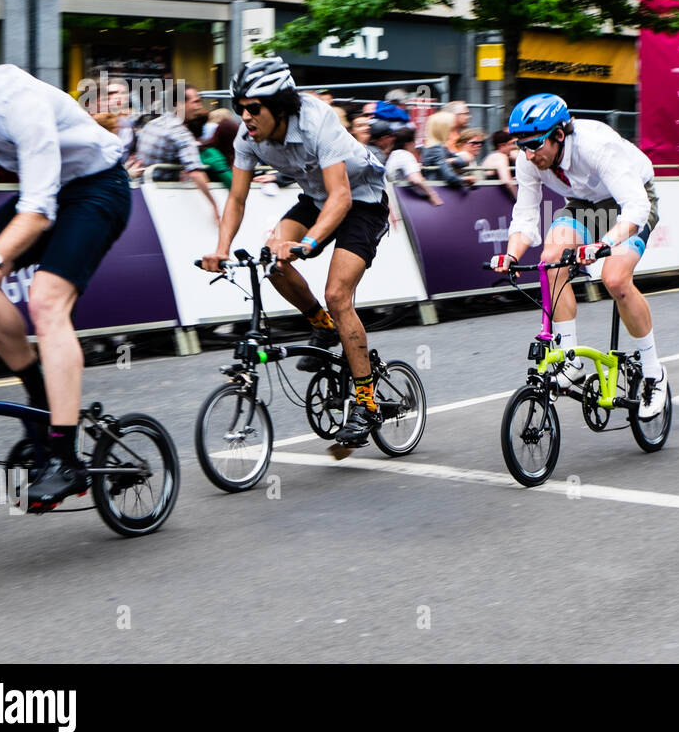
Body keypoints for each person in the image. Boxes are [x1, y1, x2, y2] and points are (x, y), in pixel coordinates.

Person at [0, 18, 132, 509]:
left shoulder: (14, 97)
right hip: (50, 192)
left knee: (45, 299)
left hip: (98, 186)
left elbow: (38, 211)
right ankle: (39, 391)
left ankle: (65, 454)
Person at [201, 58, 389, 457]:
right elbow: (236, 198)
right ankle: (320, 325)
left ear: (280, 106)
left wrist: (309, 243)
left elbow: (341, 197)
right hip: (316, 199)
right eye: (240, 108)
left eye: (254, 108)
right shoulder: (248, 138)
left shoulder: (317, 120)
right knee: (272, 259)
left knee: (339, 295)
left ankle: (367, 403)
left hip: (363, 202)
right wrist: (220, 249)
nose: (246, 117)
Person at [490, 93, 668, 417]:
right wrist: (511, 256)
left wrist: (604, 244)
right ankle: (570, 360)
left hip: (630, 202)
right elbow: (526, 215)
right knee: (551, 258)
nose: (528, 154)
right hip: (584, 205)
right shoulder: (529, 158)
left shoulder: (595, 144)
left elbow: (637, 207)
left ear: (559, 135)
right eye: (521, 145)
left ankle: (654, 372)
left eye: (534, 144)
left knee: (615, 279)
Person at [128, 83, 220, 226]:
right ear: (179, 105)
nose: (199, 107)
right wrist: (214, 205)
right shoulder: (180, 133)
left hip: (141, 197)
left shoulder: (153, 124)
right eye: (195, 102)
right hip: (165, 201)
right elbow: (196, 172)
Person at [386, 124, 443, 206]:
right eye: (414, 141)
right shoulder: (406, 155)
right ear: (408, 144)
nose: (415, 144)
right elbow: (416, 179)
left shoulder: (394, 155)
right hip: (404, 201)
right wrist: (432, 194)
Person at [421, 111, 476, 188]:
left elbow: (463, 161)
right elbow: (449, 177)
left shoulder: (439, 147)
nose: (452, 133)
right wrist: (465, 179)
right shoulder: (436, 148)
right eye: (450, 129)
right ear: (443, 129)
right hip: (437, 188)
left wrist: (451, 161)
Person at [481, 130, 518, 199]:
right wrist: (519, 199)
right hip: (493, 198)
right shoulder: (500, 157)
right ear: (502, 145)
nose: (514, 146)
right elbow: (506, 181)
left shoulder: (506, 156)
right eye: (512, 143)